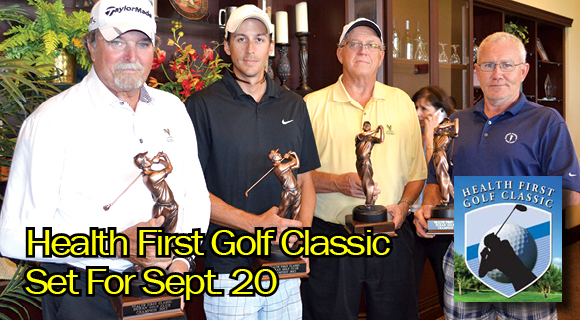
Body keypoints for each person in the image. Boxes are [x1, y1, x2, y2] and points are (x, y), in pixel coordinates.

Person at [0, 0, 211, 318]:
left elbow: (195, 199)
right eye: (117, 42)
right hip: (83, 294)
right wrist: (113, 245)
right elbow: (13, 237)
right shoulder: (51, 121)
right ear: (91, 44)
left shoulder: (173, 110)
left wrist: (181, 262)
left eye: (142, 43)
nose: (131, 56)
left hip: (161, 286)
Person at [414, 31, 580, 320]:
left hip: (531, 255)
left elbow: (569, 191)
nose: (497, 73)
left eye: (507, 65)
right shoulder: (456, 122)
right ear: (476, 71)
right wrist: (428, 206)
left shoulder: (547, 122)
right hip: (464, 254)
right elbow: (434, 179)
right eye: (488, 65)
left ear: (523, 71)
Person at [185, 5, 320, 319]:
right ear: (227, 45)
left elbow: (306, 182)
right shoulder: (201, 106)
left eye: (259, 39)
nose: (250, 49)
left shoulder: (294, 104)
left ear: (271, 47)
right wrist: (255, 224)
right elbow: (192, 193)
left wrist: (304, 239)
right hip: (229, 270)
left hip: (284, 268)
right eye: (241, 39)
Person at [303, 18, 427, 319]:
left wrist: (405, 205)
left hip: (392, 234)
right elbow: (297, 179)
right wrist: (337, 183)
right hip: (330, 239)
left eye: (372, 45)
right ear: (339, 53)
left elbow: (418, 173)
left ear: (382, 55)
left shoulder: (401, 103)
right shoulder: (311, 105)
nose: (363, 50)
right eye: (354, 44)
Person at [408, 85, 456, 307]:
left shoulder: (449, 135)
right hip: (413, 217)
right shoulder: (411, 133)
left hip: (441, 220)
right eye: (415, 107)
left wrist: (430, 137)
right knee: (409, 282)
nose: (418, 113)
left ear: (441, 111)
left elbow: (434, 173)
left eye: (424, 108)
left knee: (444, 279)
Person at [355, 121, 384, 206]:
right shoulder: (359, 137)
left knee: (367, 181)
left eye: (368, 125)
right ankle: (369, 200)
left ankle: (369, 203)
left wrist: (381, 129)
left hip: (365, 161)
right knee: (363, 181)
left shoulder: (371, 139)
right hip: (358, 161)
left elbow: (381, 140)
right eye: (365, 125)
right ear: (363, 127)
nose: (367, 127)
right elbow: (364, 135)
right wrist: (376, 130)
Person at [269, 150, 302, 220]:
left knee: (296, 213)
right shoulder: (279, 167)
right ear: (274, 158)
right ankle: (276, 229)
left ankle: (294, 230)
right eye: (277, 153)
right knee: (282, 213)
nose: (279, 153)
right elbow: (294, 161)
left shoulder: (285, 167)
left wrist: (294, 155)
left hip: (296, 190)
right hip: (289, 192)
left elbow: (297, 165)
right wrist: (290, 156)